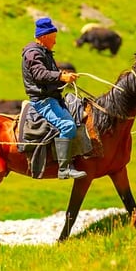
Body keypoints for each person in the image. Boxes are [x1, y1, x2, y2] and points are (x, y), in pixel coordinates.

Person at [21, 17, 86, 180]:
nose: (55, 43)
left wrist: (64, 75)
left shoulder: (43, 52)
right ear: (44, 37)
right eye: (53, 38)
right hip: (43, 100)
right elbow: (40, 74)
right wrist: (61, 77)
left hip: (53, 97)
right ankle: (63, 169)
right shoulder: (33, 53)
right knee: (67, 125)